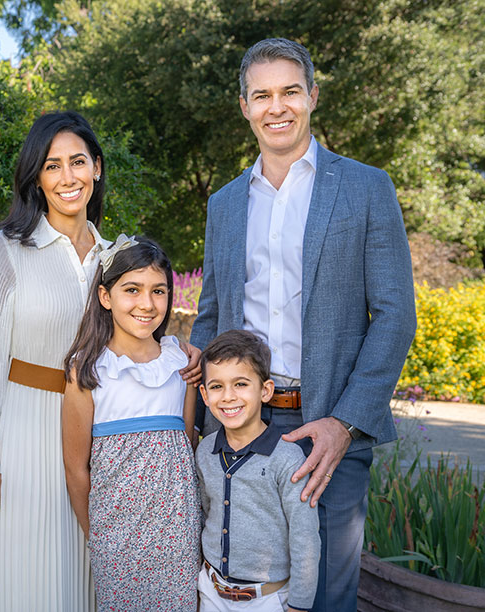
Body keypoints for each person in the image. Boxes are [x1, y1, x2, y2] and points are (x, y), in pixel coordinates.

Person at [190, 38, 416, 612]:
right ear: (244, 106)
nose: (277, 106)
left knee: (326, 598)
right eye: (261, 95)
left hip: (328, 431)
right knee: (244, 591)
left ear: (312, 96)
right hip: (242, 426)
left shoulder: (366, 187)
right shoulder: (224, 204)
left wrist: (344, 423)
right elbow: (211, 319)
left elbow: (395, 315)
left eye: (290, 91)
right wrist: (194, 421)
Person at [0, 111, 201, 611]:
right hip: (25, 428)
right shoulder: (7, 249)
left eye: (78, 162)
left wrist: (185, 352)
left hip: (104, 436)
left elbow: (141, 331)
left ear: (98, 169)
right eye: (52, 165)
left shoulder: (116, 257)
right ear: (36, 177)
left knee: (96, 572)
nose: (68, 177)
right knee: (30, 573)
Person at [61, 236, 202, 612]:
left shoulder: (181, 364)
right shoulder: (88, 371)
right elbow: (76, 469)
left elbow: (184, 447)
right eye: (132, 290)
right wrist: (97, 537)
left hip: (178, 538)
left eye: (159, 291)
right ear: (106, 297)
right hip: (117, 540)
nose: (147, 303)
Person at [195, 329, 319, 612]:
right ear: (204, 394)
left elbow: (305, 538)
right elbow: (205, 512)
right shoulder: (204, 452)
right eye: (216, 387)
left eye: (240, 384)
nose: (228, 397)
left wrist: (299, 605)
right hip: (212, 592)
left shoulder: (287, 459)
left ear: (265, 390)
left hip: (267, 600)